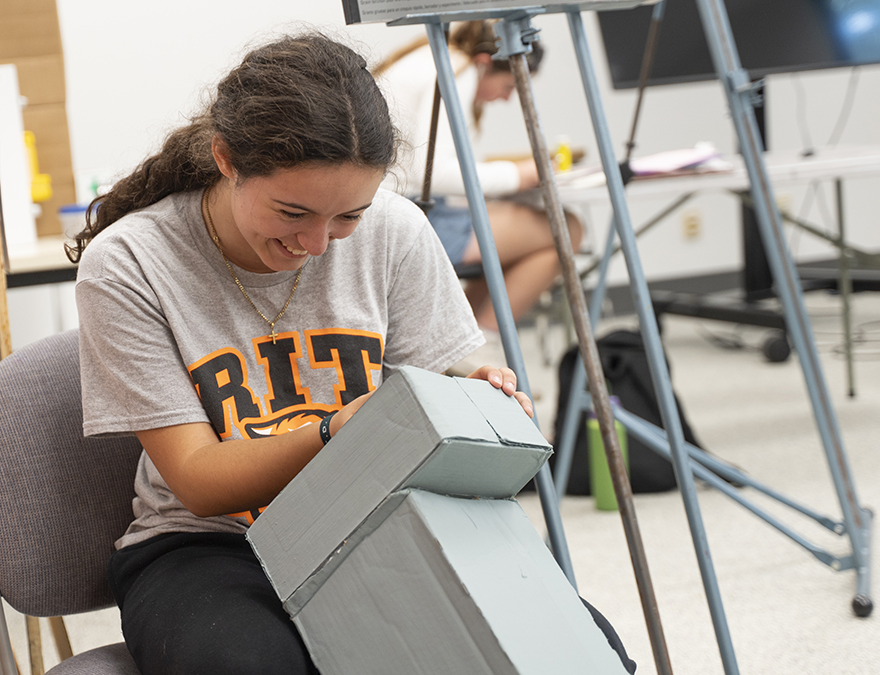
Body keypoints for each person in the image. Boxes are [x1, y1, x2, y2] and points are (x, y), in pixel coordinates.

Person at [69, 33, 631, 675]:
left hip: (377, 519)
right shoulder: (131, 263)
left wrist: (475, 394)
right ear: (226, 158)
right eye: (292, 212)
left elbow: (435, 380)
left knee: (579, 652)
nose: (316, 244)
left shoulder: (395, 229)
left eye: (347, 217)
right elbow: (198, 481)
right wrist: (339, 430)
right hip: (211, 545)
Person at [375, 21, 584, 360]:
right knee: (566, 230)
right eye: (508, 85)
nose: (506, 98)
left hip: (397, 208)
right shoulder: (457, 69)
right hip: (408, 219)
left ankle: (462, 344)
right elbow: (430, 171)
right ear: (486, 62)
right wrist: (519, 175)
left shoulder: (434, 58)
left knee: (529, 244)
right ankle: (479, 351)